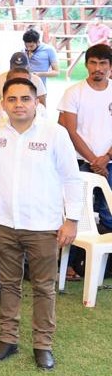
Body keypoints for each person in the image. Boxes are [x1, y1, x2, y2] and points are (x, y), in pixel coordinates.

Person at [0, 78, 81, 371]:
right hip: (3, 222)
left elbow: (71, 178)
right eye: (12, 99)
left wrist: (72, 220)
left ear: (36, 101)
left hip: (43, 225)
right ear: (2, 103)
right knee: (9, 284)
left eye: (25, 99)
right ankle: (8, 339)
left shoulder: (55, 134)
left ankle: (43, 344)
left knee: (44, 287)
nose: (18, 105)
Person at [57, 44, 112, 244]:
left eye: (103, 63)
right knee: (79, 215)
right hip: (80, 162)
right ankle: (73, 263)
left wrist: (105, 158)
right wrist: (94, 161)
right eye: (93, 63)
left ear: (110, 66)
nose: (98, 68)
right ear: (87, 64)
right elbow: (69, 131)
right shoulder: (73, 92)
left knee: (109, 213)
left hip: (109, 162)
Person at [20, 29, 59, 103]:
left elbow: (56, 72)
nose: (28, 48)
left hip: (40, 90)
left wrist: (39, 74)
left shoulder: (49, 50)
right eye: (26, 46)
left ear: (38, 42)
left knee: (40, 112)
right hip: (23, 88)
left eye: (31, 46)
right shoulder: (23, 50)